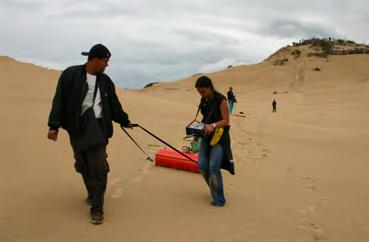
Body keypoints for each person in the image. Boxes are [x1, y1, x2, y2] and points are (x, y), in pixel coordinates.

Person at [47, 44, 132, 225]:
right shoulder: (70, 75)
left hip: (99, 127)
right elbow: (59, 99)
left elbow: (114, 105)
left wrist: (124, 120)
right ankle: (92, 193)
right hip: (77, 127)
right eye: (106, 61)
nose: (107, 65)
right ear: (95, 59)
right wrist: (53, 125)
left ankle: (97, 208)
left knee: (98, 167)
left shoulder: (106, 81)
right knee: (83, 164)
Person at [195, 76, 235, 207]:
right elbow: (205, 117)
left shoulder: (221, 100)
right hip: (206, 136)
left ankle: (219, 199)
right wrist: (197, 131)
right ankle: (214, 189)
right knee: (201, 166)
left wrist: (212, 126)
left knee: (213, 166)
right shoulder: (204, 99)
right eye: (199, 92)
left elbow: (226, 120)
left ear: (209, 87)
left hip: (219, 138)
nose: (201, 94)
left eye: (203, 91)